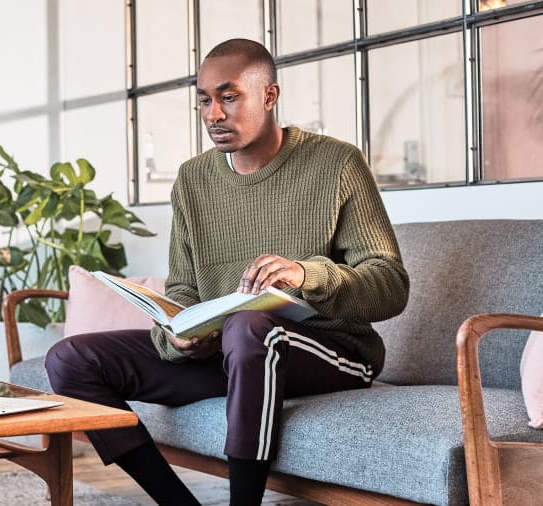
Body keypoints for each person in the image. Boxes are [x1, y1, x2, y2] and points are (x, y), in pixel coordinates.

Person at [45, 38, 409, 505]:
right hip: (232, 353)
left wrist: (305, 275)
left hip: (331, 351)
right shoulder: (193, 179)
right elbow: (182, 287)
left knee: (249, 326)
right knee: (70, 360)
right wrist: (176, 335)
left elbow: (390, 285)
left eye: (229, 96)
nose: (213, 113)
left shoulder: (336, 163)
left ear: (270, 96)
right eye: (204, 99)